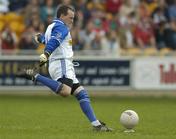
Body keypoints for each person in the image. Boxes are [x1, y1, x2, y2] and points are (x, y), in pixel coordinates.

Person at [17, 4, 112, 132]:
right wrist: (46, 53)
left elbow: (47, 39)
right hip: (61, 63)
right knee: (65, 91)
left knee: (81, 93)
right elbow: (55, 41)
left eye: (73, 18)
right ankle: (34, 75)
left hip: (62, 64)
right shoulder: (62, 28)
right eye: (70, 18)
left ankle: (96, 124)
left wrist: (39, 38)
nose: (72, 21)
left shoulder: (52, 26)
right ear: (62, 16)